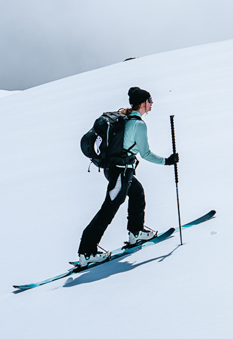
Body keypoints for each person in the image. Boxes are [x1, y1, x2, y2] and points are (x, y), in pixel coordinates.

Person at [76, 86, 179, 266]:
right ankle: (87, 252)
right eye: (150, 101)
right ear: (143, 104)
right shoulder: (138, 124)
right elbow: (145, 154)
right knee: (109, 209)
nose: (152, 103)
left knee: (137, 193)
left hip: (118, 169)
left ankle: (136, 232)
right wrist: (167, 161)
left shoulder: (126, 118)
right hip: (120, 171)